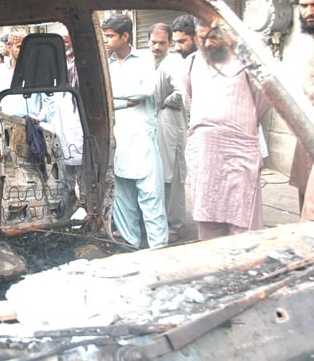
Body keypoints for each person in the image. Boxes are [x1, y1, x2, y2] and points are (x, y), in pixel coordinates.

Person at [183, 18, 270, 239]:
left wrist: (234, 127)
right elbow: (189, 101)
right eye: (202, 38)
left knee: (243, 223)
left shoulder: (247, 61)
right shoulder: (192, 62)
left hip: (239, 152)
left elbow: (263, 101)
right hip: (205, 155)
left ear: (227, 34)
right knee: (208, 217)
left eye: (214, 37)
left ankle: (247, 272)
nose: (208, 43)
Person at [102, 14, 168, 249]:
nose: (106, 40)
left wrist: (114, 98)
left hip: (142, 139)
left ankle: (158, 248)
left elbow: (147, 90)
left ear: (125, 36)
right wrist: (126, 100)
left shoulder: (143, 58)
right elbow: (103, 99)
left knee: (151, 197)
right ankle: (131, 245)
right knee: (122, 198)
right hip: (119, 138)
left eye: (110, 36)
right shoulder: (107, 63)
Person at [148, 23, 188, 243]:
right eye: (153, 42)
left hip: (171, 125)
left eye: (162, 43)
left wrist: (166, 101)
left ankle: (177, 226)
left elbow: (183, 93)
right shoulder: (149, 62)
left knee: (173, 177)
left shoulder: (173, 62)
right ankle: (162, 222)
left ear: (170, 43)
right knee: (159, 176)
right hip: (155, 126)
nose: (157, 46)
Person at [51, 31, 85, 208]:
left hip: (79, 124)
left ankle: (87, 209)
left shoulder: (83, 64)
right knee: (65, 176)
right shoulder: (57, 65)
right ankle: (69, 209)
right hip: (62, 125)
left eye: (67, 40)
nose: (65, 44)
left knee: (84, 176)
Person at [294, 0, 314, 221]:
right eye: (304, 5)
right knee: (304, 191)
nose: (309, 11)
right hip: (305, 124)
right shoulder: (304, 40)